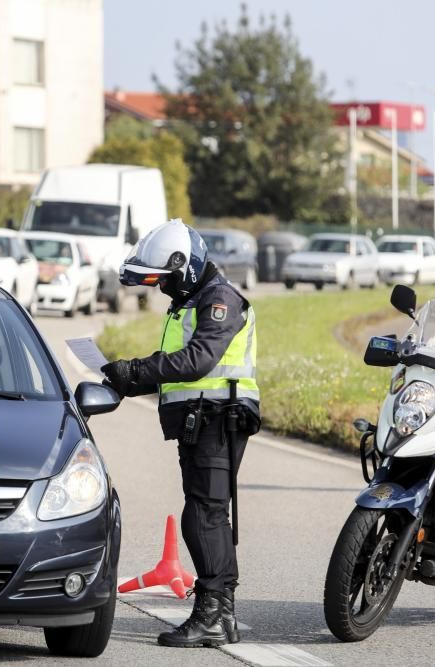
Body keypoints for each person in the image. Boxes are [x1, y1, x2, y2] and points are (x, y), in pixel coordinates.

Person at [101, 219, 260, 649]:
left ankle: (212, 612)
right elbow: (175, 365)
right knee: (207, 513)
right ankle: (220, 613)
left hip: (219, 416)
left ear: (184, 268)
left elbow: (197, 360)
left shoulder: (220, 299)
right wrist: (127, 378)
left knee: (204, 515)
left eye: (165, 279)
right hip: (202, 417)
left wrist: (136, 370)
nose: (161, 288)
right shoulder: (193, 299)